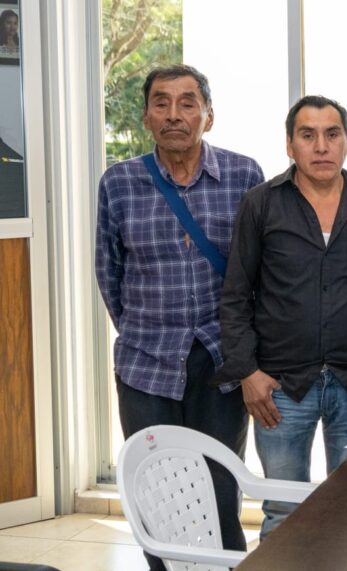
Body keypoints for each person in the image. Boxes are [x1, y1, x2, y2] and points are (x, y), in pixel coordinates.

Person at [95, 65, 263, 569]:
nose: (174, 114)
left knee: (219, 488)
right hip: (146, 364)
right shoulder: (119, 183)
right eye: (161, 103)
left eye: (188, 103)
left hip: (221, 363)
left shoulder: (244, 176)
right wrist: (144, 331)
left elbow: (259, 269)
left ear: (208, 116)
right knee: (157, 498)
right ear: (146, 116)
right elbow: (109, 271)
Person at [216, 95, 347, 538]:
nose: (321, 146)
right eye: (308, 135)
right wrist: (248, 374)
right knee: (284, 513)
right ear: (289, 145)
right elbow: (236, 296)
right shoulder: (261, 204)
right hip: (280, 388)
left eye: (332, 134)